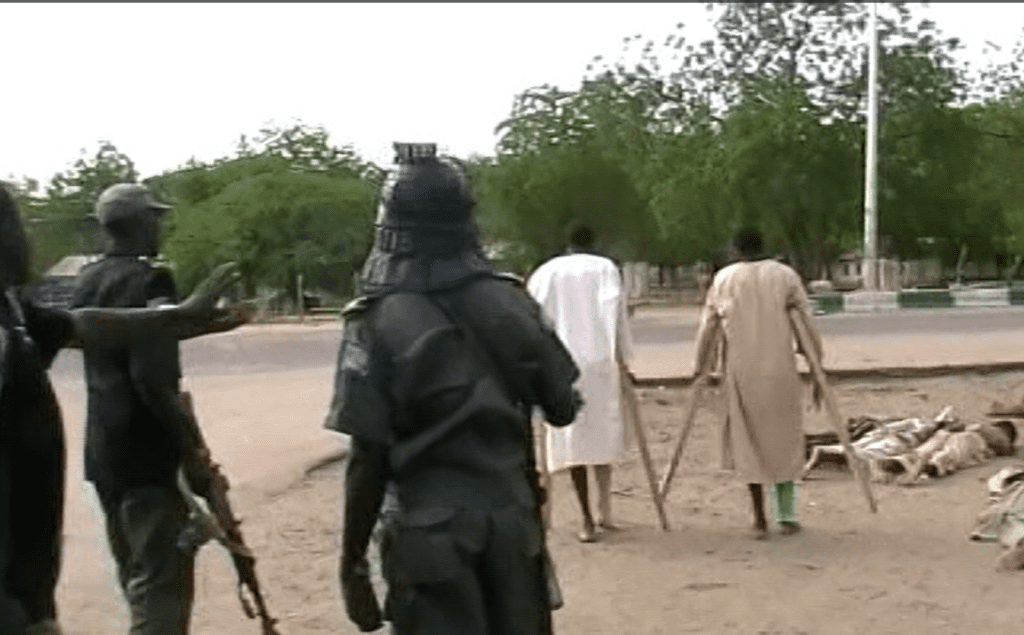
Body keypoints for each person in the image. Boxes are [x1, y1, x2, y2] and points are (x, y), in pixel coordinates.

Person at [326, 142, 582, 634]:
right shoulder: (512, 301)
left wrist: (351, 561)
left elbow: (367, 456)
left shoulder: (374, 321)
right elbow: (563, 408)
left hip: (427, 535)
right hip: (512, 526)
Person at [0, 184, 245, 635]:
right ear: (142, 223)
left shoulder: (86, 280)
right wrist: (192, 455)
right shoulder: (151, 279)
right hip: (148, 456)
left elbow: (88, 328)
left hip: (105, 456)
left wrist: (186, 321)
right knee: (160, 591)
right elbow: (152, 377)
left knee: (133, 576)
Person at [693, 227, 823, 540]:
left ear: (735, 249)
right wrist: (816, 361)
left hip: (742, 373)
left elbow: (708, 326)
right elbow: (806, 321)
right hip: (780, 371)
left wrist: (700, 367)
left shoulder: (725, 279)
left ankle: (759, 518)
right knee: (784, 440)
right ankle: (787, 516)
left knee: (747, 443)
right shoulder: (785, 276)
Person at [526, 224, 634, 543]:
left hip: (561, 365)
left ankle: (590, 516)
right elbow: (615, 313)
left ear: (568, 243)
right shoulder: (605, 268)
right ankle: (602, 511)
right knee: (601, 436)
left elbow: (534, 321)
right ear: (594, 241)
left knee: (574, 440)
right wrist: (624, 356)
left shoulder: (545, 273)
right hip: (599, 362)